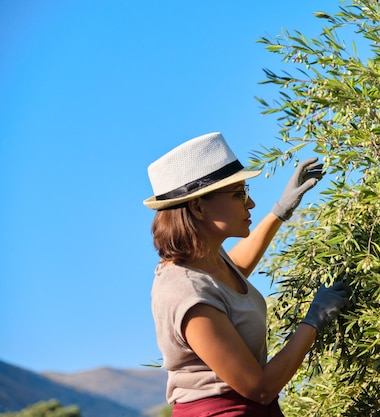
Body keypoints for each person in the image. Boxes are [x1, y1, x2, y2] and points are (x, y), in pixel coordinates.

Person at [143, 132, 351, 416]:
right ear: (198, 206)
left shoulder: (208, 265)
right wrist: (314, 320)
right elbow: (260, 388)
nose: (250, 204)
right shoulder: (187, 293)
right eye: (239, 194)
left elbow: (233, 274)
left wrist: (280, 211)